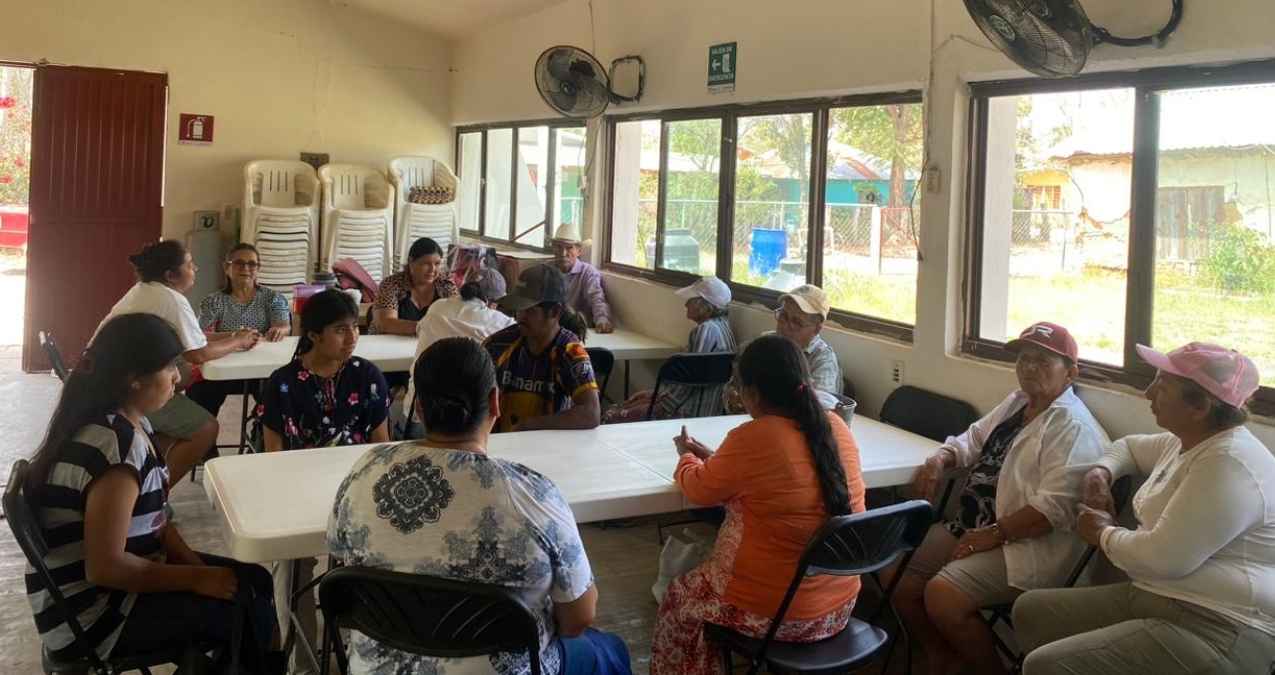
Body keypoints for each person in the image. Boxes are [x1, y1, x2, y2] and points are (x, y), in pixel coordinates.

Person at [328, 337, 633, 675]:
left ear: (419, 408)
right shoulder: (534, 496)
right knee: (609, 649)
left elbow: (339, 554)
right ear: (494, 402)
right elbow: (578, 619)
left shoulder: (366, 471)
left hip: (377, 668)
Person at [24, 313, 282, 674]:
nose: (179, 377)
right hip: (95, 617)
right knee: (244, 614)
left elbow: (157, 521)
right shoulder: (115, 451)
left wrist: (199, 569)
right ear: (134, 378)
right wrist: (197, 579)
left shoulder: (132, 423)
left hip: (120, 585)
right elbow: (105, 568)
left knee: (256, 582)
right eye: (170, 367)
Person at [1014, 342, 1275, 675]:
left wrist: (1103, 534)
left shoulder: (1228, 463)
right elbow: (1128, 448)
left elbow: (1163, 558)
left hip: (1219, 623)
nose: (1148, 393)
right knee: (1032, 612)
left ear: (1200, 407)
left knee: (1046, 666)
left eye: (1162, 387)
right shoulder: (1188, 441)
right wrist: (1100, 473)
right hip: (1161, 594)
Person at [897, 322, 1108, 675]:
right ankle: (942, 656)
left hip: (1026, 544)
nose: (1029, 368)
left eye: (1043, 361)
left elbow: (1051, 510)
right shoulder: (1018, 403)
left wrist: (992, 534)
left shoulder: (1073, 428)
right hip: (973, 526)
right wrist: (940, 458)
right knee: (895, 570)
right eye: (1024, 359)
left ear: (1071, 372)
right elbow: (972, 439)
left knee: (943, 595)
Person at [651, 334, 867, 675]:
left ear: (751, 393)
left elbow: (698, 489)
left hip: (775, 614)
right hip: (838, 608)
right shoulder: (836, 427)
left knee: (678, 597)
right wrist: (716, 459)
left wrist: (686, 457)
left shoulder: (753, 437)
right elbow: (776, 475)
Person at [260, 289, 391, 675]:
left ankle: (361, 653)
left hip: (357, 491)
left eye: (355, 328)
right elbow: (273, 456)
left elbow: (381, 447)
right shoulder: (283, 383)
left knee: (380, 556)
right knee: (288, 565)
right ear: (314, 335)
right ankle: (301, 663)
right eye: (340, 330)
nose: (352, 338)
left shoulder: (367, 376)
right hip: (297, 493)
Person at [99, 240, 258, 484]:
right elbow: (198, 354)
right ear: (171, 275)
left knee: (181, 383)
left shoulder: (147, 290)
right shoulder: (171, 300)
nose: (196, 269)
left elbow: (194, 337)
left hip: (105, 378)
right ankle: (155, 494)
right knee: (205, 427)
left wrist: (234, 335)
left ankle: (147, 473)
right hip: (120, 390)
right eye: (190, 265)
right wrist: (238, 341)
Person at [484, 264, 600, 432]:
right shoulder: (497, 345)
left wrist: (528, 426)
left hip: (548, 445)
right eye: (519, 309)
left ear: (555, 312)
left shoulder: (570, 352)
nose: (520, 317)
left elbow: (591, 413)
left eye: (529, 310)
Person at [604, 276, 737, 423]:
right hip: (710, 409)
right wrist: (656, 394)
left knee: (612, 414)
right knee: (631, 403)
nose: (686, 304)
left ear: (704, 306)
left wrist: (660, 405)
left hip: (691, 410)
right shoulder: (725, 328)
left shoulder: (705, 330)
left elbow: (690, 381)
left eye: (691, 300)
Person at [402, 263, 514, 437]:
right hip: (469, 422)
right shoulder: (502, 322)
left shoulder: (437, 306)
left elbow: (420, 331)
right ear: (492, 302)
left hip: (421, 410)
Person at [186, 243, 291, 416]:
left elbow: (283, 325)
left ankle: (264, 430)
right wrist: (236, 338)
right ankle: (204, 432)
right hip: (225, 368)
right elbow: (200, 335)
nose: (246, 268)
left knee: (278, 397)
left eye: (252, 264)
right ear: (226, 267)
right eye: (239, 263)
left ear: (258, 268)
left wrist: (279, 329)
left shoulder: (273, 298)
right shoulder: (213, 301)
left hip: (261, 369)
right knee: (200, 394)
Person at [724, 284, 841, 412]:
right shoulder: (763, 344)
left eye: (797, 322)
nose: (785, 326)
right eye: (783, 316)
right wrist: (733, 399)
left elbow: (819, 410)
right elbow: (732, 386)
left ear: (817, 329)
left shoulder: (822, 360)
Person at [370, 236, 457, 336]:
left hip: (427, 342)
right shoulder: (392, 284)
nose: (432, 269)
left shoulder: (446, 285)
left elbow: (457, 318)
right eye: (426, 264)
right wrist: (426, 328)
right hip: (386, 342)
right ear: (411, 262)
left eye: (437, 264)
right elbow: (384, 323)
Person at [551, 221, 613, 334]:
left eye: (569, 248)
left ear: (579, 251)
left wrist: (602, 320)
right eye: (559, 247)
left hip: (578, 332)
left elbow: (596, 298)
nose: (563, 253)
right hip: (550, 331)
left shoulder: (588, 273)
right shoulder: (546, 271)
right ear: (553, 248)